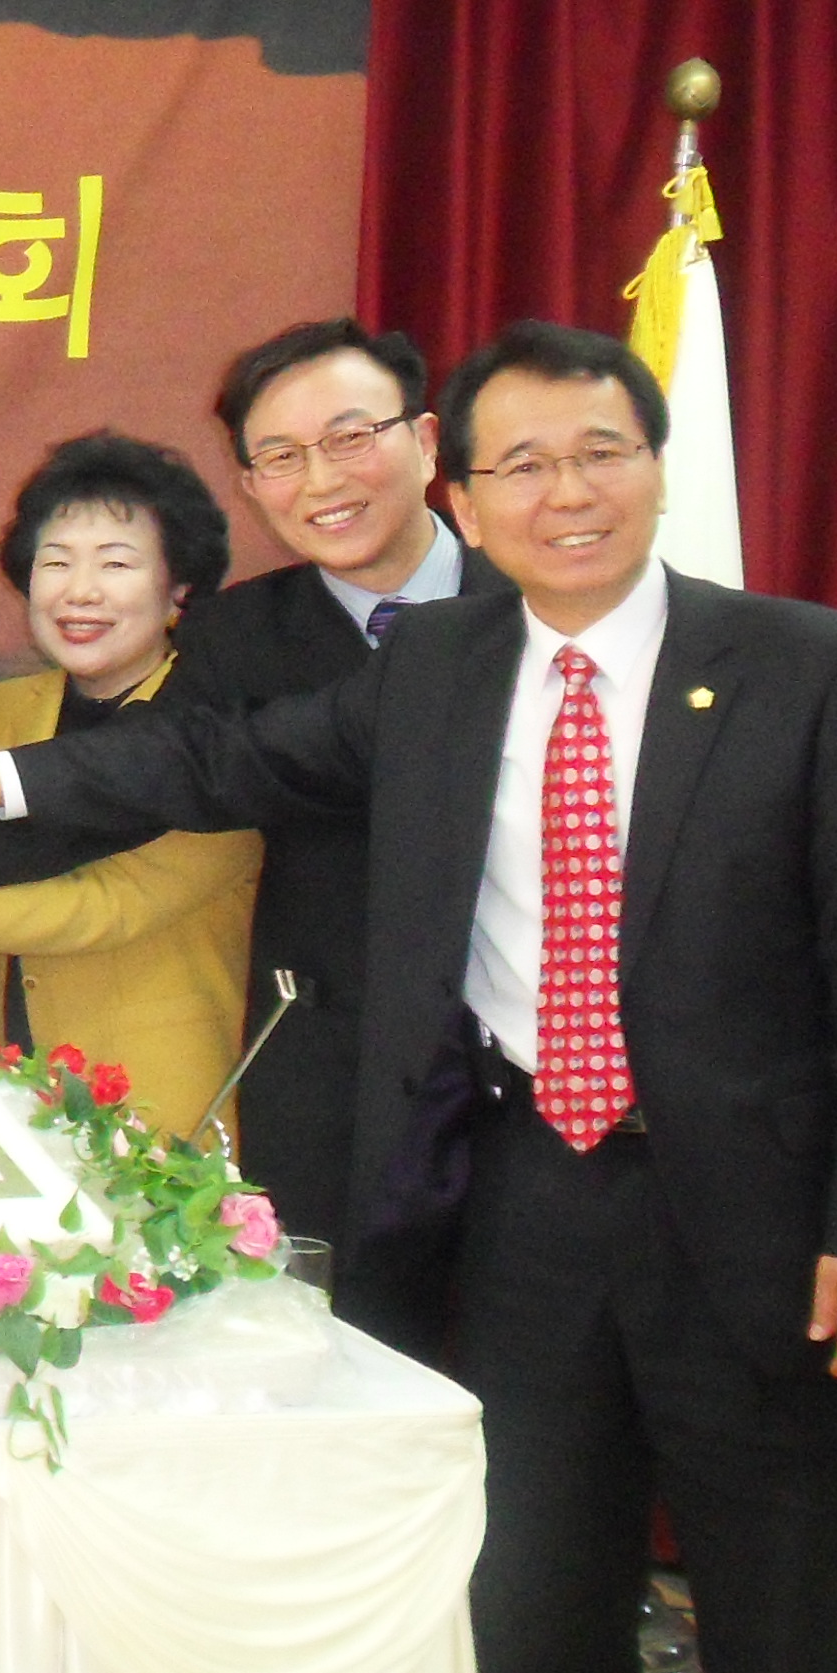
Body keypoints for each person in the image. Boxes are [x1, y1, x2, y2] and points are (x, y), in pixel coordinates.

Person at [0, 321, 837, 1673]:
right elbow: (222, 753)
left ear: (655, 470)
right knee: (530, 1633)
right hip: (524, 1213)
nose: (564, 494)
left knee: (787, 1664)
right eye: (524, 466)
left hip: (767, 1231)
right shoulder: (438, 667)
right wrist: (4, 789)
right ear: (467, 491)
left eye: (599, 455)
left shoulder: (813, 667)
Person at [177, 316, 512, 1252]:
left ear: (428, 440)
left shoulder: (540, 605)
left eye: (350, 437)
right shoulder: (230, 640)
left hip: (530, 1090)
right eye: (281, 457)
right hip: (330, 1085)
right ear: (250, 485)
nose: (321, 481)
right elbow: (147, 774)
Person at [0, 432, 256, 1129]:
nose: (79, 592)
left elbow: (116, 903)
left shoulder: (218, 722)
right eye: (56, 561)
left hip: (154, 1098)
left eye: (116, 563)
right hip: (2, 1089)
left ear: (179, 587)